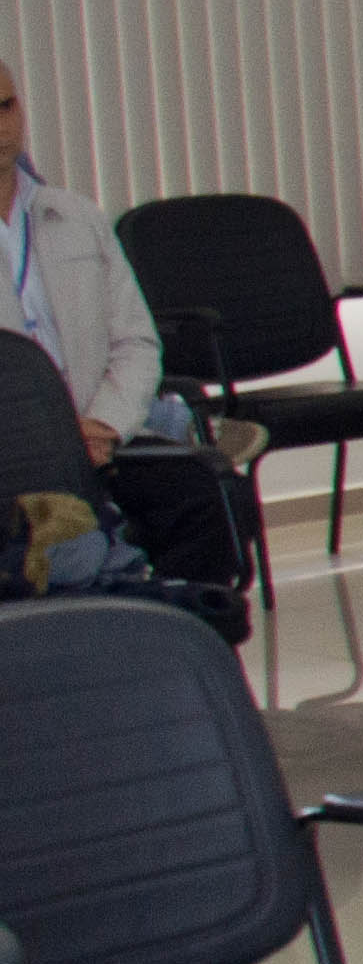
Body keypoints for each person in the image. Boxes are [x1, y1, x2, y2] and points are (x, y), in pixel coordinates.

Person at [1, 54, 240, 590]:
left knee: (206, 497)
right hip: (15, 466)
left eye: (6, 106)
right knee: (64, 549)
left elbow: (136, 342)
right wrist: (48, 446)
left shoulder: (75, 217)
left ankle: (191, 634)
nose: (0, 126)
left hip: (101, 438)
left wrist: (105, 424)